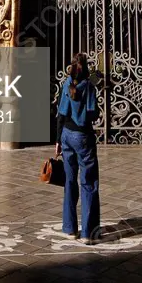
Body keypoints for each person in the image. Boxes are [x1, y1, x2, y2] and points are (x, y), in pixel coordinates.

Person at [54, 53, 100, 243]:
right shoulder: (88, 86)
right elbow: (93, 114)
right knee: (89, 183)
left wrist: (57, 140)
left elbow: (61, 114)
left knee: (69, 182)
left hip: (66, 135)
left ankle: (70, 228)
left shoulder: (67, 84)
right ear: (86, 67)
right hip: (83, 137)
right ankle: (88, 232)